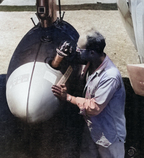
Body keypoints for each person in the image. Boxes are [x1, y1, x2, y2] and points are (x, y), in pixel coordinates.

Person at [52, 28, 126, 158]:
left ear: (92, 52)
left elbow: (94, 107)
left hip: (109, 135)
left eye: (80, 49)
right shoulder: (91, 63)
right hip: (92, 128)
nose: (76, 51)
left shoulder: (110, 76)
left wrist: (68, 97)